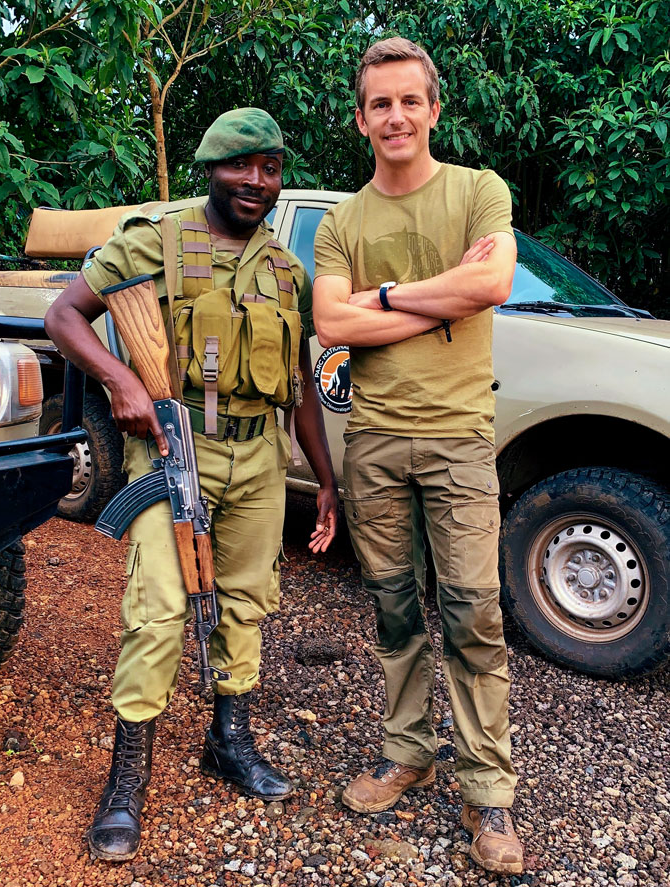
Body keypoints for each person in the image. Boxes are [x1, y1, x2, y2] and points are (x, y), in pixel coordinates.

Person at [45, 108, 338, 862]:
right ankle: (126, 777)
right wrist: (118, 379)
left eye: (269, 169)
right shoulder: (157, 239)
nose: (256, 182)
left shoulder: (285, 270)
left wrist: (326, 481)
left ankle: (227, 740)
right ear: (212, 167)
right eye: (241, 167)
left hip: (261, 459)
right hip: (175, 446)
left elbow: (299, 383)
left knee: (244, 602)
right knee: (158, 609)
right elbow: (64, 315)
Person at [313, 38, 523, 875]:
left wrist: (382, 299)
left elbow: (491, 284)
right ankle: (409, 750)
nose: (394, 116)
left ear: (433, 109)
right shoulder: (341, 221)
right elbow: (331, 323)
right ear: (361, 119)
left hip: (458, 437)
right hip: (373, 440)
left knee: (473, 611)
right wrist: (435, 297)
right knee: (393, 610)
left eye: (409, 101)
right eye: (379, 104)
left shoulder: (478, 192)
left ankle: (489, 790)